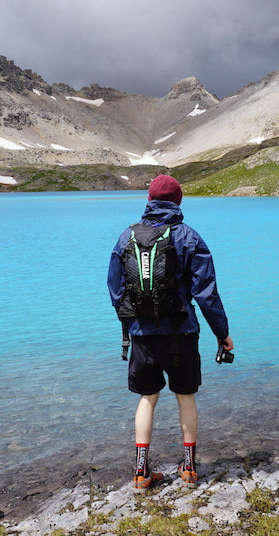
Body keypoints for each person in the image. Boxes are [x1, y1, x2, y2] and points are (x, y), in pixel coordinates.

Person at [107, 174, 234, 492]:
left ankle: (141, 473)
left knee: (147, 399)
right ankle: (189, 468)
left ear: (149, 200)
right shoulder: (189, 237)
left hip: (142, 335)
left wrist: (133, 322)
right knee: (185, 397)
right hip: (182, 333)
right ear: (178, 201)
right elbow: (206, 293)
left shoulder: (126, 238)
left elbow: (115, 289)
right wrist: (223, 334)